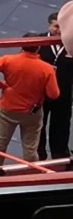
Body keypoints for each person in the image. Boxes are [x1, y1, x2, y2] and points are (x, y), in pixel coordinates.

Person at [0, 41, 61, 166]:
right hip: (32, 112)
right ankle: (31, 172)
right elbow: (53, 94)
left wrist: (0, 85)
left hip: (7, 109)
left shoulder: (8, 60)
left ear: (22, 46)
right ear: (38, 48)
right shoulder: (47, 68)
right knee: (30, 148)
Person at [40, 9, 72, 161]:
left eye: (62, 26)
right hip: (41, 93)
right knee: (38, 126)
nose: (59, 30)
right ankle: (39, 156)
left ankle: (60, 156)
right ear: (49, 26)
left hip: (64, 93)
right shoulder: (38, 41)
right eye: (56, 26)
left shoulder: (71, 41)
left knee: (61, 126)